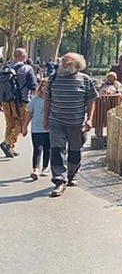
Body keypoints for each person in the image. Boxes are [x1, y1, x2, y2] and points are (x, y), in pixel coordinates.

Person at [45, 52, 98, 197]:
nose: (63, 63)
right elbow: (47, 100)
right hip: (56, 121)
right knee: (56, 150)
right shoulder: (53, 78)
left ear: (76, 64)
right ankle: (59, 180)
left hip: (76, 122)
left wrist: (89, 119)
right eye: (63, 60)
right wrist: (45, 119)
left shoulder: (85, 80)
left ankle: (72, 174)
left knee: (75, 150)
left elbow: (91, 100)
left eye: (67, 61)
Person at [1, 48, 39, 158]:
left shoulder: (5, 68)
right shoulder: (27, 68)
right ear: (24, 56)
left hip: (5, 100)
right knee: (22, 123)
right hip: (21, 101)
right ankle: (8, 143)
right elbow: (33, 86)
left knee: (10, 124)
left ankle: (10, 149)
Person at [22, 78, 51, 179]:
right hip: (36, 128)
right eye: (43, 86)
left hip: (49, 129)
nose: (45, 89)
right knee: (37, 149)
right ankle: (35, 169)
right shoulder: (35, 100)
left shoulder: (53, 100)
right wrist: (24, 127)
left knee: (48, 148)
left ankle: (45, 167)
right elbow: (29, 114)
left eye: (47, 87)